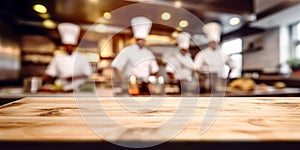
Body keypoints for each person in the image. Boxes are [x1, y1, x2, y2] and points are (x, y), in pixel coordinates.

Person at [111, 16, 159, 95]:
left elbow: (155, 70)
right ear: (136, 39)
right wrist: (122, 81)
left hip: (145, 86)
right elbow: (115, 66)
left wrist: (152, 82)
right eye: (139, 39)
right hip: (131, 85)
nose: (141, 41)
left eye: (143, 40)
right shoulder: (127, 50)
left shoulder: (148, 53)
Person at [43, 22, 92, 92]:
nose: (68, 47)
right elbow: (50, 72)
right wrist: (39, 79)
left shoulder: (81, 58)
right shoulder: (57, 58)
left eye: (71, 45)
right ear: (64, 46)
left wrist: (73, 77)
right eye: (67, 45)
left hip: (78, 88)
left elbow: (87, 73)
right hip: (61, 87)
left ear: (74, 46)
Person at [194, 22, 234, 91]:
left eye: (215, 42)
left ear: (218, 42)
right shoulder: (202, 54)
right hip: (206, 80)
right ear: (208, 42)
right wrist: (201, 77)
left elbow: (232, 65)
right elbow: (196, 67)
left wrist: (228, 77)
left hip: (220, 81)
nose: (213, 44)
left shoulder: (223, 54)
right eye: (211, 42)